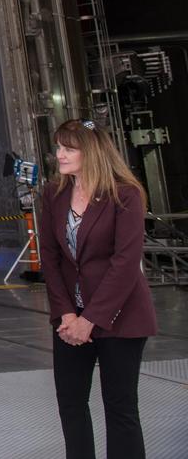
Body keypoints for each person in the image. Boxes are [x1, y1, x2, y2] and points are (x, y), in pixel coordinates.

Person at [37, 118, 157, 458]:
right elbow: (50, 256)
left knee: (120, 408)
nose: (59, 154)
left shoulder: (126, 194)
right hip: (69, 321)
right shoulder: (54, 193)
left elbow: (125, 263)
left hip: (120, 318)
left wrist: (89, 320)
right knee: (71, 405)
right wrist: (65, 313)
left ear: (90, 152)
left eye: (68, 148)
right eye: (58, 147)